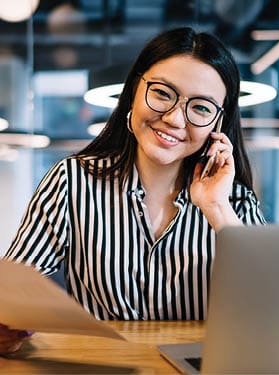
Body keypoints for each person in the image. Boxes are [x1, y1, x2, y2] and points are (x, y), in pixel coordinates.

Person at [0, 26, 265, 354]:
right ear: (134, 91)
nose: (174, 119)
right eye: (162, 93)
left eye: (200, 108)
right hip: (104, 366)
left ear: (218, 125)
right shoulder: (72, 181)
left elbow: (271, 312)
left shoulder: (233, 201)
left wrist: (217, 210)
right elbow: (13, 290)